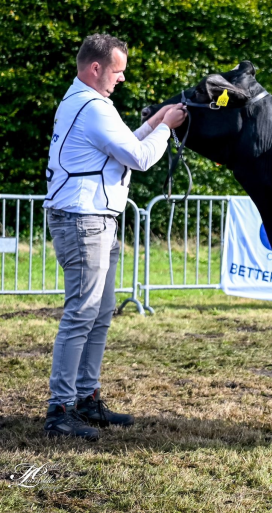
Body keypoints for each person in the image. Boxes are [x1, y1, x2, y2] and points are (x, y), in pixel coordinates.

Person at [42, 33, 187, 440]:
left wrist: (156, 121)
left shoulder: (88, 103)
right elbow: (139, 158)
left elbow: (125, 144)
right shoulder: (93, 107)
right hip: (84, 219)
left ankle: (84, 398)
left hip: (94, 219)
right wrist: (168, 127)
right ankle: (60, 409)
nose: (121, 79)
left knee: (99, 314)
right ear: (96, 68)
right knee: (82, 315)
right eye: (118, 71)